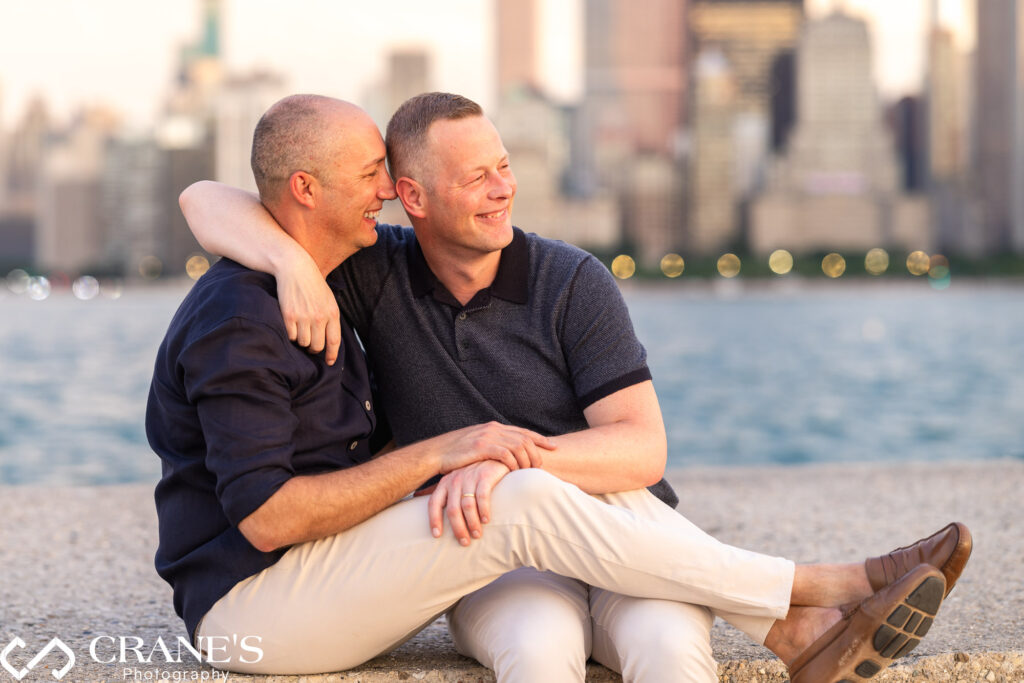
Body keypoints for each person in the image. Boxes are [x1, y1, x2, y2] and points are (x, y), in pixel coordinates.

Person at [157, 93, 972, 682]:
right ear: (415, 197)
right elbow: (207, 196)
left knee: (669, 654)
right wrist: (290, 261)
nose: (503, 188)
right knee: (537, 621)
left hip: (615, 530)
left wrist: (506, 459)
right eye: (472, 177)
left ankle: (798, 622)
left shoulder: (571, 279)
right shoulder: (363, 274)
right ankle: (807, 598)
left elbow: (642, 447)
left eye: (503, 167)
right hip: (375, 575)